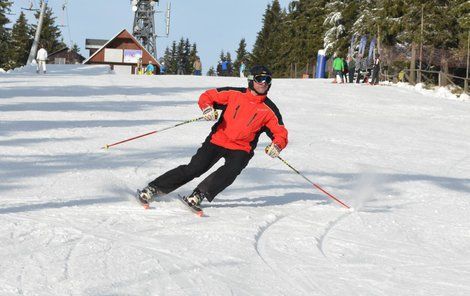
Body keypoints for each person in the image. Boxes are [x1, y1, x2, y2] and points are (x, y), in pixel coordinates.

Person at [137, 65, 288, 208]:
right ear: (251, 80)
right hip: (218, 139)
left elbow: (280, 133)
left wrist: (277, 145)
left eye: (267, 80)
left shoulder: (269, 110)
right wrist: (207, 108)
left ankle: (199, 194)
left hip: (241, 148)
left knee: (231, 171)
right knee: (195, 168)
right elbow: (207, 96)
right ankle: (154, 188)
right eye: (259, 79)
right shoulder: (234, 94)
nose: (263, 83)